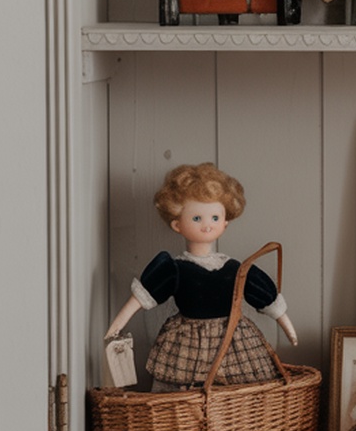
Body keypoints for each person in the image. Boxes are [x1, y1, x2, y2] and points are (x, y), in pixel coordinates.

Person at [104, 162, 297, 390]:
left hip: (232, 339)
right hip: (186, 341)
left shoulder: (236, 268)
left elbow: (265, 297)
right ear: (177, 224)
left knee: (239, 387)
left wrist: (287, 326)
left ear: (225, 222)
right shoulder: (174, 268)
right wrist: (116, 327)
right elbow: (142, 296)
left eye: (215, 218)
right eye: (197, 219)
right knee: (181, 387)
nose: (207, 225)